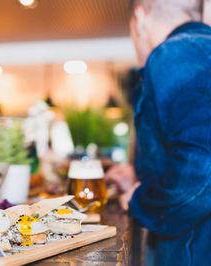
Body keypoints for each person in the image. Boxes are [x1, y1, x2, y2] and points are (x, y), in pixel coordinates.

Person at [106, 0, 211, 264]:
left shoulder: (174, 54)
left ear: (140, 18)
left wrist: (141, 201)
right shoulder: (201, 50)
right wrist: (139, 181)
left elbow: (202, 168)